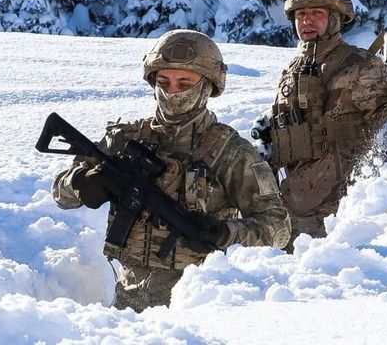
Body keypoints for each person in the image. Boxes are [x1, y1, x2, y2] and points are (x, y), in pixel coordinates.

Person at [51, 29, 290, 312]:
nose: (171, 92)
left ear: (208, 85)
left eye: (184, 82)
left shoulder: (231, 151)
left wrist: (227, 232)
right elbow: (60, 193)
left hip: (198, 302)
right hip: (127, 297)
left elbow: (279, 228)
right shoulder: (125, 138)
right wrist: (81, 182)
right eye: (163, 81)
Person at [263, 0, 387, 248]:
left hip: (337, 220)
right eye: (301, 14)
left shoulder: (359, 65)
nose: (307, 20)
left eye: (316, 13)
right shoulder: (291, 71)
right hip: (291, 211)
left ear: (336, 17)